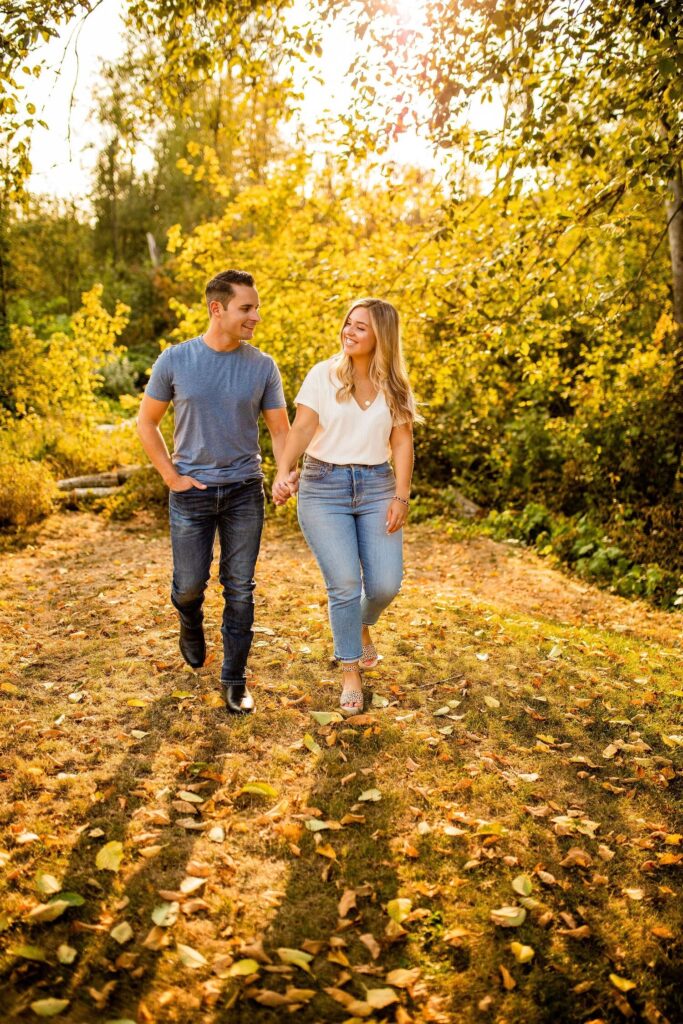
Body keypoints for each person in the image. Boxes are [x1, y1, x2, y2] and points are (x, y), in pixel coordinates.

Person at [137, 269, 295, 714]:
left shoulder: (262, 366)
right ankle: (189, 619)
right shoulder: (175, 360)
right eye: (247, 308)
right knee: (189, 586)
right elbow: (146, 423)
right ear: (217, 309)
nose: (255, 317)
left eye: (256, 307)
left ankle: (234, 679)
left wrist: (285, 472)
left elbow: (280, 431)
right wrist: (172, 477)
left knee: (239, 587)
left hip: (245, 490)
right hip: (192, 494)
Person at [272, 297, 419, 715]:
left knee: (386, 585)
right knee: (343, 584)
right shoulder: (323, 374)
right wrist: (284, 470)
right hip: (323, 487)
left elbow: (402, 442)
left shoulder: (396, 386)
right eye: (348, 324)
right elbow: (301, 428)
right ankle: (350, 669)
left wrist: (401, 495)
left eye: (360, 327)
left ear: (381, 337)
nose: (349, 332)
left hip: (376, 487)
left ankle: (362, 625)